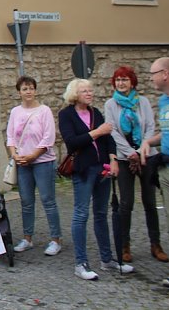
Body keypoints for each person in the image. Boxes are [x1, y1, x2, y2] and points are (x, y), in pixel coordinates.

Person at [58, 78, 133, 280]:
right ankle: (80, 263)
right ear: (75, 93)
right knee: (81, 215)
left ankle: (107, 259)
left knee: (101, 213)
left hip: (102, 169)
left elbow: (109, 139)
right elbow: (72, 142)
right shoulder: (66, 115)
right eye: (84, 91)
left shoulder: (96, 112)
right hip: (82, 170)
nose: (89, 93)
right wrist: (97, 132)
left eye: (91, 90)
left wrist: (113, 159)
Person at [104, 65, 168, 263]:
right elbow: (113, 131)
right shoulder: (111, 104)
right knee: (126, 203)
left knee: (150, 202)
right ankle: (124, 245)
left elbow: (149, 127)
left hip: (146, 156)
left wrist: (141, 152)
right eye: (118, 80)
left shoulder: (143, 102)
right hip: (124, 158)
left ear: (132, 82)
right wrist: (130, 153)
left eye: (125, 79)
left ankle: (155, 244)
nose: (121, 83)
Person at [6, 76, 62, 257]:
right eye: (24, 89)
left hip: (42, 162)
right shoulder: (15, 112)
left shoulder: (44, 111)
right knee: (26, 202)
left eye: (30, 88)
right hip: (22, 162)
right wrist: (14, 155)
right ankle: (27, 238)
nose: (28, 92)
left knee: (48, 200)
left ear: (35, 90)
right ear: (19, 92)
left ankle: (55, 239)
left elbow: (48, 137)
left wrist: (33, 156)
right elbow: (11, 137)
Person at [140, 56, 169, 289]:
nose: (151, 78)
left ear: (165, 73)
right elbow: (167, 132)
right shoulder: (164, 102)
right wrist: (148, 141)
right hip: (168, 169)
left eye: (153, 73)